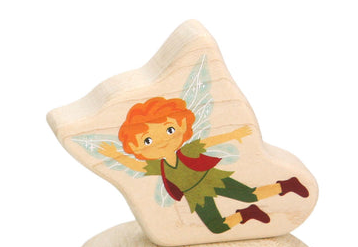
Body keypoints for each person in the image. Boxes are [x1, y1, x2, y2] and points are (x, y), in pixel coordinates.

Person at [99, 96, 308, 233]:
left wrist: (233, 134)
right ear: (137, 149)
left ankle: (286, 185)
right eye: (148, 140)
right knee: (216, 228)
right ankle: (246, 214)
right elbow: (136, 166)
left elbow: (209, 142)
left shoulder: (187, 150)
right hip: (195, 195)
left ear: (182, 126)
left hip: (212, 180)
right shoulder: (158, 166)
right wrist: (115, 155)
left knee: (250, 195)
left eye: (169, 130)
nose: (161, 141)